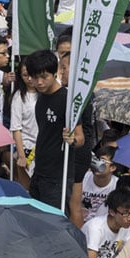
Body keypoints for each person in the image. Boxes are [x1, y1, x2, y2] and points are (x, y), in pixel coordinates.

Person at [27, 49, 85, 208]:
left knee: (52, 224)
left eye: (44, 77)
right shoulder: (41, 98)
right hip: (39, 172)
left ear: (55, 73)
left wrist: (72, 140)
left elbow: (80, 138)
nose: (39, 82)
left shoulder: (66, 100)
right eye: (35, 77)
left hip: (57, 177)